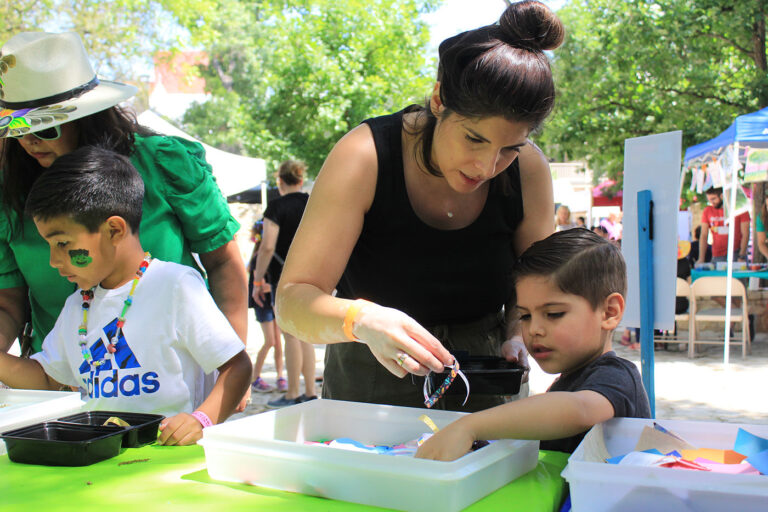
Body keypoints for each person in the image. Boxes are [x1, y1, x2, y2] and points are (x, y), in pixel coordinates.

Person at [274, 1, 561, 411]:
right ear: (439, 100)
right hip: (370, 379)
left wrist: (519, 331)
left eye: (510, 149)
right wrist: (363, 320)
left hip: (486, 377)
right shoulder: (365, 156)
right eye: (474, 139)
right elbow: (292, 302)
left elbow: (534, 290)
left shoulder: (530, 170)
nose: (487, 166)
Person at [0, 32, 248, 402]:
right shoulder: (8, 196)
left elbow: (224, 261)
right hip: (59, 389)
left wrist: (230, 371)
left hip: (171, 393)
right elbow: (8, 303)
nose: (30, 141)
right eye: (16, 128)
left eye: (45, 126)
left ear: (88, 117)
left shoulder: (166, 163)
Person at [0, 147, 251, 446]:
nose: (54, 261)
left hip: (169, 461)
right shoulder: (77, 305)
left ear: (114, 230)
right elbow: (47, 378)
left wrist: (202, 419)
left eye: (63, 244)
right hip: (105, 466)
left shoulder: (174, 285)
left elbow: (237, 367)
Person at [414, 229, 651, 460]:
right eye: (525, 316)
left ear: (609, 312)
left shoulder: (616, 375)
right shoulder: (567, 383)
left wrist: (469, 426)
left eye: (554, 313)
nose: (534, 329)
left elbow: (580, 409)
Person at [251, 160, 316, 407]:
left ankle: (292, 394)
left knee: (290, 336)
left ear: (280, 182)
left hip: (285, 277)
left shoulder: (276, 207)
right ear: (300, 180)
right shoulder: (312, 202)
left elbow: (267, 246)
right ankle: (310, 392)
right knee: (307, 335)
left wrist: (258, 279)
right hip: (313, 276)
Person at [247, 220, 286, 392]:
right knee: (270, 341)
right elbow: (260, 285)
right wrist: (278, 285)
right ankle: (255, 378)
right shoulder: (258, 258)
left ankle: (280, 377)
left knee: (278, 342)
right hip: (263, 303)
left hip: (272, 302)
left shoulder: (270, 255)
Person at [697, 187, 750, 264]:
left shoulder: (739, 209)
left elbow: (745, 234)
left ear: (722, 196)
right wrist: (701, 258)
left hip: (736, 253)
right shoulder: (707, 211)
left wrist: (741, 255)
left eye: (713, 199)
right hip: (717, 254)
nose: (711, 202)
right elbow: (704, 235)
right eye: (709, 200)